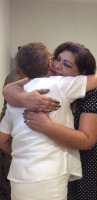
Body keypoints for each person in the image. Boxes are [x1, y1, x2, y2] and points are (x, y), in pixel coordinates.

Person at [3, 42, 97, 200]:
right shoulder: (43, 88)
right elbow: (8, 89)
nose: (57, 66)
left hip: (85, 163)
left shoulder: (92, 94)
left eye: (66, 64)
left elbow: (87, 140)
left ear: (83, 73)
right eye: (57, 59)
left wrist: (47, 126)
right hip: (52, 169)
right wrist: (22, 97)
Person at [0, 47, 26, 200]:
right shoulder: (15, 79)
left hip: (11, 130)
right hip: (8, 131)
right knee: (8, 175)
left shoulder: (19, 77)